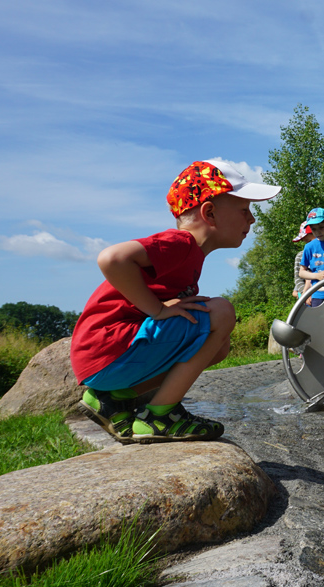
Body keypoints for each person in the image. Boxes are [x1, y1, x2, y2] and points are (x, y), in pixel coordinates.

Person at [72, 160, 281, 443]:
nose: (252, 219)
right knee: (221, 312)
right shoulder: (180, 244)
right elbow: (112, 259)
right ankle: (159, 416)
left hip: (105, 358)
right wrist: (156, 310)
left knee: (219, 345)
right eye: (244, 210)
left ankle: (112, 399)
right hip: (109, 348)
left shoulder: (190, 255)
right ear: (210, 213)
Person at [292, 221, 313, 298]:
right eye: (305, 242)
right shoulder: (300, 256)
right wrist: (305, 294)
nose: (308, 245)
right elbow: (298, 278)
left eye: (309, 241)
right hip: (308, 294)